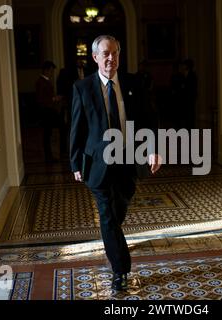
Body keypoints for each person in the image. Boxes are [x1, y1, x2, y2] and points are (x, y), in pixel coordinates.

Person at [70, 35, 162, 291]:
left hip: (127, 163)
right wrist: (75, 163)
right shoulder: (82, 88)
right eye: (105, 54)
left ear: (119, 55)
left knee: (117, 212)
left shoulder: (134, 83)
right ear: (95, 57)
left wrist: (153, 149)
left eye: (115, 53)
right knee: (108, 216)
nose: (111, 58)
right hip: (97, 165)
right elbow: (76, 129)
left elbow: (149, 119)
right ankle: (120, 271)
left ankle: (113, 241)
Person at [35, 61, 63, 162]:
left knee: (49, 134)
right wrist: (54, 99)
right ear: (46, 70)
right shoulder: (41, 82)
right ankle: (49, 157)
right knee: (47, 134)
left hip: (49, 111)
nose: (52, 73)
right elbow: (40, 99)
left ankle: (50, 156)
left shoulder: (46, 81)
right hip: (46, 112)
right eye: (51, 70)